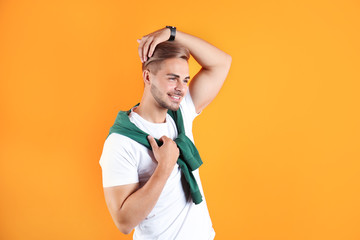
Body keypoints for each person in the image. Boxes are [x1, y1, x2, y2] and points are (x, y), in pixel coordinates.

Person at [99, 26, 232, 240]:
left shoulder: (180, 114)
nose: (181, 88)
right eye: (172, 78)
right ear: (148, 77)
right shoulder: (121, 142)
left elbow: (221, 63)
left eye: (185, 80)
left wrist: (172, 33)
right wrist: (165, 167)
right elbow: (124, 222)